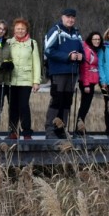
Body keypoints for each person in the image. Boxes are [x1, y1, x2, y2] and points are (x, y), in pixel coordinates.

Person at [42, 8, 84, 139]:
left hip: (72, 73)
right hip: (58, 72)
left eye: (73, 17)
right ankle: (50, 130)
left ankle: (61, 129)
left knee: (67, 101)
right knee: (57, 100)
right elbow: (48, 50)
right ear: (62, 17)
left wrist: (81, 56)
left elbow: (82, 50)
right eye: (68, 17)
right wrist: (67, 56)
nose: (70, 19)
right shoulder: (55, 31)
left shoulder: (77, 33)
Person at [6, 18, 41, 139]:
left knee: (23, 105)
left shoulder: (32, 43)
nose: (20, 31)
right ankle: (13, 131)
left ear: (26, 30)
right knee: (12, 106)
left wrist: (36, 81)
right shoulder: (9, 42)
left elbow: (36, 63)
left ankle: (26, 132)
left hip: (26, 79)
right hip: (11, 80)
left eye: (22, 29)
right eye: (18, 29)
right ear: (14, 30)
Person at [76, 31, 102, 135]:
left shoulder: (93, 50)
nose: (97, 41)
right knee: (84, 106)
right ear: (90, 40)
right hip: (86, 82)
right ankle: (79, 129)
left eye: (98, 39)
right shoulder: (87, 50)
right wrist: (86, 84)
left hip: (91, 81)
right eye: (95, 39)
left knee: (85, 106)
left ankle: (80, 127)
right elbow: (84, 68)